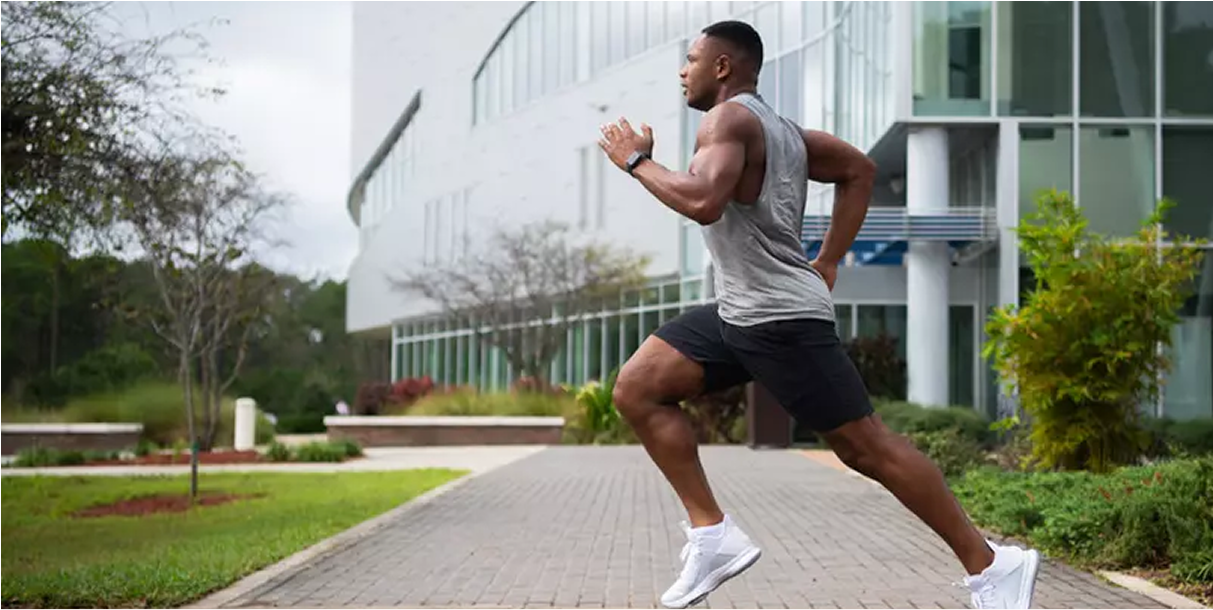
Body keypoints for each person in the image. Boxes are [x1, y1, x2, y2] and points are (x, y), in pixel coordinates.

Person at [596, 19, 1039, 610]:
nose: (684, 70)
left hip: (779, 321)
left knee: (867, 449)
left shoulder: (726, 120)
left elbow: (704, 201)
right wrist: (827, 261)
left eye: (692, 59)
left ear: (723, 67)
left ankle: (993, 565)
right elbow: (860, 169)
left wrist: (636, 163)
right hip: (740, 312)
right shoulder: (787, 133)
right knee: (638, 387)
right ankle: (712, 534)